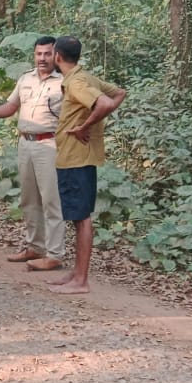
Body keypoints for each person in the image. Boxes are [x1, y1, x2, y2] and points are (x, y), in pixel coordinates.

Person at [0, 35, 66, 271]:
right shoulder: (25, 79)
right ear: (33, 55)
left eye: (46, 54)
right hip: (25, 143)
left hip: (50, 144)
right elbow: (12, 107)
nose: (42, 58)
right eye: (38, 54)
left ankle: (54, 254)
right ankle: (35, 247)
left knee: (52, 200)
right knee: (29, 199)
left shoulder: (64, 82)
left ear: (56, 55)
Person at [48, 35, 126, 294]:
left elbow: (104, 102)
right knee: (78, 216)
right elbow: (118, 94)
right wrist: (92, 124)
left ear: (58, 56)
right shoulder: (85, 77)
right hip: (78, 157)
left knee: (81, 219)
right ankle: (76, 273)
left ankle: (81, 280)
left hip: (76, 159)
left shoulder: (78, 82)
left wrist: (85, 126)